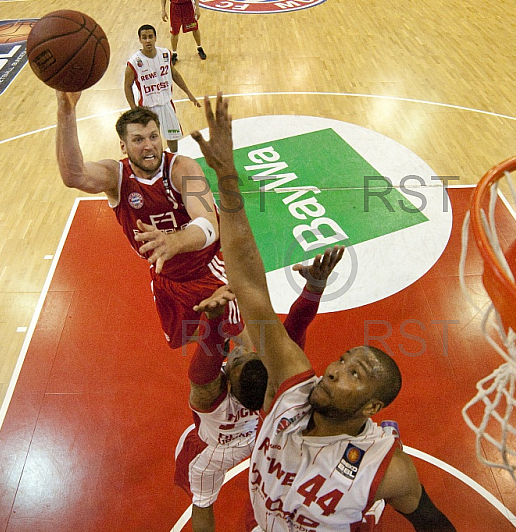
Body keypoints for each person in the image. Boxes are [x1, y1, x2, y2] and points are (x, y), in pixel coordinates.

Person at [191, 93, 456, 531]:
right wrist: (228, 178)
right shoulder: (289, 388)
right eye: (343, 360)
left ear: (371, 405)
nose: (335, 370)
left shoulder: (386, 469)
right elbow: (251, 286)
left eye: (356, 373)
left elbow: (433, 522)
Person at [55, 92, 242, 349]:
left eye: (154, 136)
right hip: (167, 278)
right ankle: (214, 365)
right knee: (190, 343)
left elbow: (209, 224)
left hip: (207, 269)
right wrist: (66, 111)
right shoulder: (116, 176)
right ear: (123, 146)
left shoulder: (182, 169)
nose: (149, 145)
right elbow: (73, 176)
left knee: (241, 338)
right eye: (138, 139)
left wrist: (174, 241)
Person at [175, 247, 344, 532]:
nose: (241, 352)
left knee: (202, 501)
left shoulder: (211, 399)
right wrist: (314, 287)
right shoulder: (277, 387)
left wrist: (215, 319)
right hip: (261, 436)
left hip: (215, 450)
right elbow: (295, 328)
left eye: (236, 360)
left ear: (228, 383)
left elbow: (203, 367)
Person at [124, 24, 200, 154]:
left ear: (155, 38)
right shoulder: (134, 62)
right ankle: (154, 166)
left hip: (166, 104)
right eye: (144, 37)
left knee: (173, 135)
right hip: (147, 108)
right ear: (140, 40)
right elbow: (127, 86)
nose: (147, 40)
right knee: (150, 141)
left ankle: (174, 158)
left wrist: (189, 93)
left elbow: (174, 74)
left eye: (150, 37)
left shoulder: (165, 54)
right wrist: (133, 109)